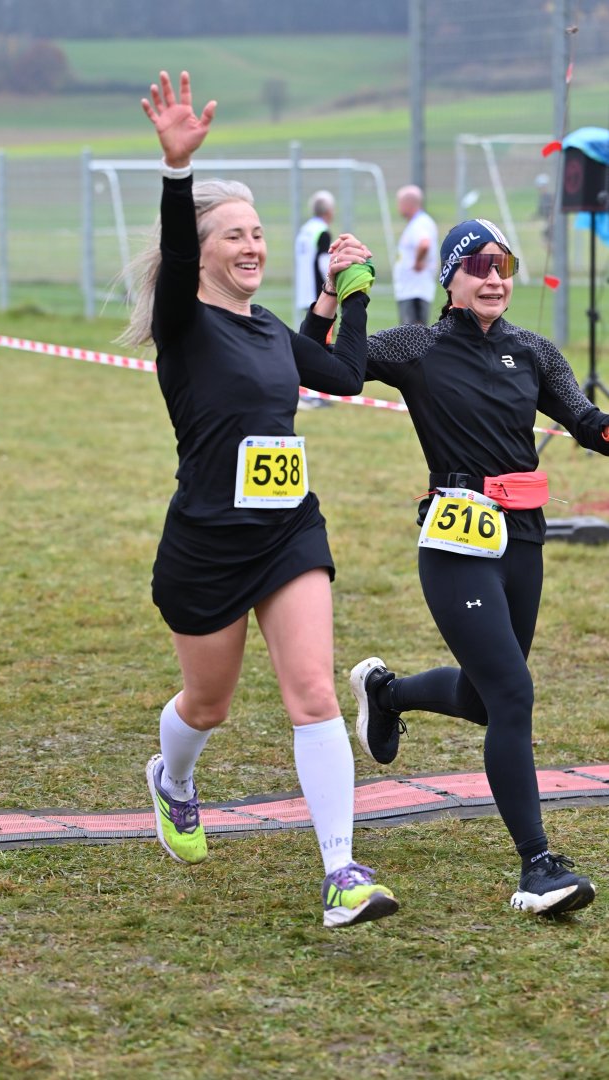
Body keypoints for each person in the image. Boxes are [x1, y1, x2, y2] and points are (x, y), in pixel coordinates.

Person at [127, 70, 397, 929]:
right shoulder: (183, 323)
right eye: (235, 235)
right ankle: (173, 780)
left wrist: (348, 294)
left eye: (258, 233)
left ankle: (342, 872)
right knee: (206, 704)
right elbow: (178, 249)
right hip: (208, 541)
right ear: (202, 251)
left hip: (288, 533)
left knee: (313, 693)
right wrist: (178, 170)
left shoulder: (270, 327)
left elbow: (343, 374)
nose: (252, 245)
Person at [302, 216, 608, 918]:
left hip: (521, 542)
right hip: (455, 545)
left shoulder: (534, 351)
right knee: (513, 695)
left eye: (504, 266)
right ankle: (538, 867)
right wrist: (337, 296)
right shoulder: (419, 346)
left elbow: (588, 423)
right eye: (479, 266)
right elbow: (320, 365)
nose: (495, 278)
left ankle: (387, 694)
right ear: (450, 278)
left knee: (485, 697)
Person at [295, 190, 336, 407]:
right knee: (320, 345)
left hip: (304, 290)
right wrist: (333, 286)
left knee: (308, 341)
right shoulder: (322, 232)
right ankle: (314, 394)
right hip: (319, 294)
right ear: (329, 211)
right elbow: (323, 263)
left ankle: (308, 391)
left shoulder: (305, 230)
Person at [393, 184, 438, 326]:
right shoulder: (416, 223)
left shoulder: (420, 223)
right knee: (411, 330)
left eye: (400, 203)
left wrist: (418, 262)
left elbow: (424, 243)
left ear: (408, 203)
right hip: (411, 289)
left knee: (413, 332)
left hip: (415, 290)